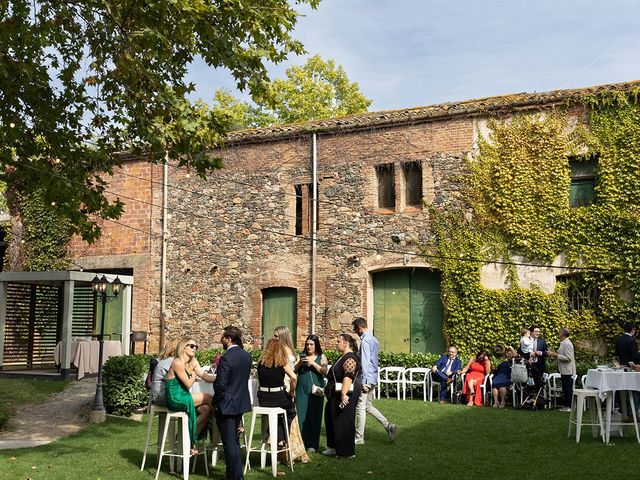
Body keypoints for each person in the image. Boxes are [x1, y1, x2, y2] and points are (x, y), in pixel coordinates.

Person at [213, 326, 252, 480]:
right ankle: (237, 475)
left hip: (227, 404)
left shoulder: (226, 358)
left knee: (229, 442)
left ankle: (234, 477)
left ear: (229, 339)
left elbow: (220, 384)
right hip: (240, 402)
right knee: (234, 441)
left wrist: (216, 402)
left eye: (223, 337)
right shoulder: (247, 356)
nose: (221, 340)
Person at [164, 338, 215, 455]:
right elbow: (188, 383)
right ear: (183, 347)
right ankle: (222, 424)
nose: (194, 349)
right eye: (191, 346)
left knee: (206, 409)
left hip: (184, 396)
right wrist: (192, 373)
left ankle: (189, 440)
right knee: (207, 397)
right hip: (175, 397)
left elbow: (205, 376)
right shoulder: (177, 362)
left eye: (196, 347)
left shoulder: (192, 361)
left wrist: (222, 378)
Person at [352, 317, 397, 445]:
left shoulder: (365, 341)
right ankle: (388, 426)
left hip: (366, 378)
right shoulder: (374, 339)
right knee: (368, 406)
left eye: (356, 330)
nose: (356, 332)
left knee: (360, 407)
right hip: (373, 377)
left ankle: (359, 437)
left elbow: (365, 362)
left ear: (360, 328)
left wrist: (363, 382)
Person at [273, 325, 310, 463]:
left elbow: (290, 371)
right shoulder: (289, 350)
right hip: (288, 382)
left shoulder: (282, 350)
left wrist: (298, 365)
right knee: (288, 418)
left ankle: (285, 452)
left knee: (286, 418)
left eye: (277, 336)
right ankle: (287, 451)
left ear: (283, 336)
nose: (274, 338)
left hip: (286, 384)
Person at [324, 333, 361, 458]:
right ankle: (334, 447)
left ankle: (346, 452)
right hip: (336, 392)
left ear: (346, 343)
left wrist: (344, 394)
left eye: (338, 341)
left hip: (345, 392)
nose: (336, 343)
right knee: (331, 417)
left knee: (343, 421)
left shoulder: (350, 357)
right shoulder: (343, 356)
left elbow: (348, 376)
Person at [257, 338, 297, 445]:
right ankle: (278, 437)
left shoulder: (260, 363)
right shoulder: (282, 362)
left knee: (280, 413)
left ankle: (272, 435)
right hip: (278, 397)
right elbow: (293, 378)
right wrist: (291, 392)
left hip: (263, 399)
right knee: (291, 411)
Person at [294, 335, 328, 453]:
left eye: (311, 344)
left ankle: (312, 444)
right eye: (307, 344)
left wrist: (313, 363)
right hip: (302, 389)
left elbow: (324, 371)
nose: (309, 346)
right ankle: (301, 442)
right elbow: (293, 370)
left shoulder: (321, 356)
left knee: (315, 415)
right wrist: (300, 363)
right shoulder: (300, 355)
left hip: (316, 389)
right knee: (301, 415)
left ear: (316, 345)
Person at [547, 328, 575, 412]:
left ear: (563, 334)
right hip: (564, 370)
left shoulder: (567, 343)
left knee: (567, 388)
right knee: (565, 388)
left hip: (567, 370)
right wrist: (553, 354)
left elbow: (568, 358)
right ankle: (566, 405)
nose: (558, 334)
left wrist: (555, 355)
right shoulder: (563, 343)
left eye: (560, 332)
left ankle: (569, 406)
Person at [149, 337, 180, 406]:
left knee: (204, 407)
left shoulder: (164, 361)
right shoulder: (173, 362)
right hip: (164, 398)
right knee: (205, 398)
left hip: (158, 396)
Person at [529, 325, 548, 391]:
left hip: (539, 366)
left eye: (539, 332)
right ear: (531, 332)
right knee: (528, 385)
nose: (538, 333)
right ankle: (529, 399)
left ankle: (538, 399)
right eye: (536, 331)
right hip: (528, 365)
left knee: (539, 385)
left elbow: (546, 353)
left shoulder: (542, 341)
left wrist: (540, 353)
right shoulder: (525, 340)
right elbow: (521, 351)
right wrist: (530, 354)